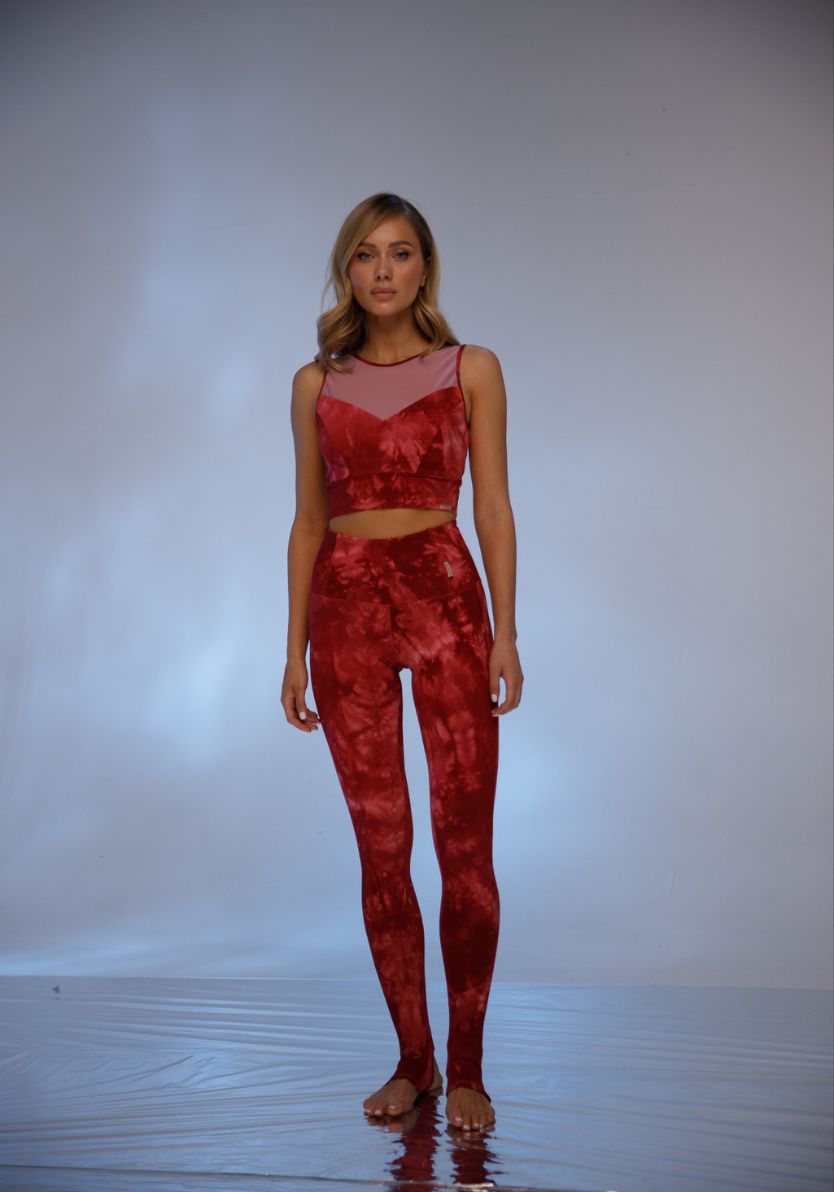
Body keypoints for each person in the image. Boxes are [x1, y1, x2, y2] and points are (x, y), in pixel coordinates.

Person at [282, 192, 523, 1132]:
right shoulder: (315, 383)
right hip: (344, 612)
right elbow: (308, 521)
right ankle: (413, 1060)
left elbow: (492, 507)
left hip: (445, 599)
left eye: (400, 253)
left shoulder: (472, 368)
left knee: (465, 848)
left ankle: (469, 1069)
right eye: (365, 255)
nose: (382, 271)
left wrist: (506, 632)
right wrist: (293, 649)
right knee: (382, 850)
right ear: (347, 272)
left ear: (425, 267)